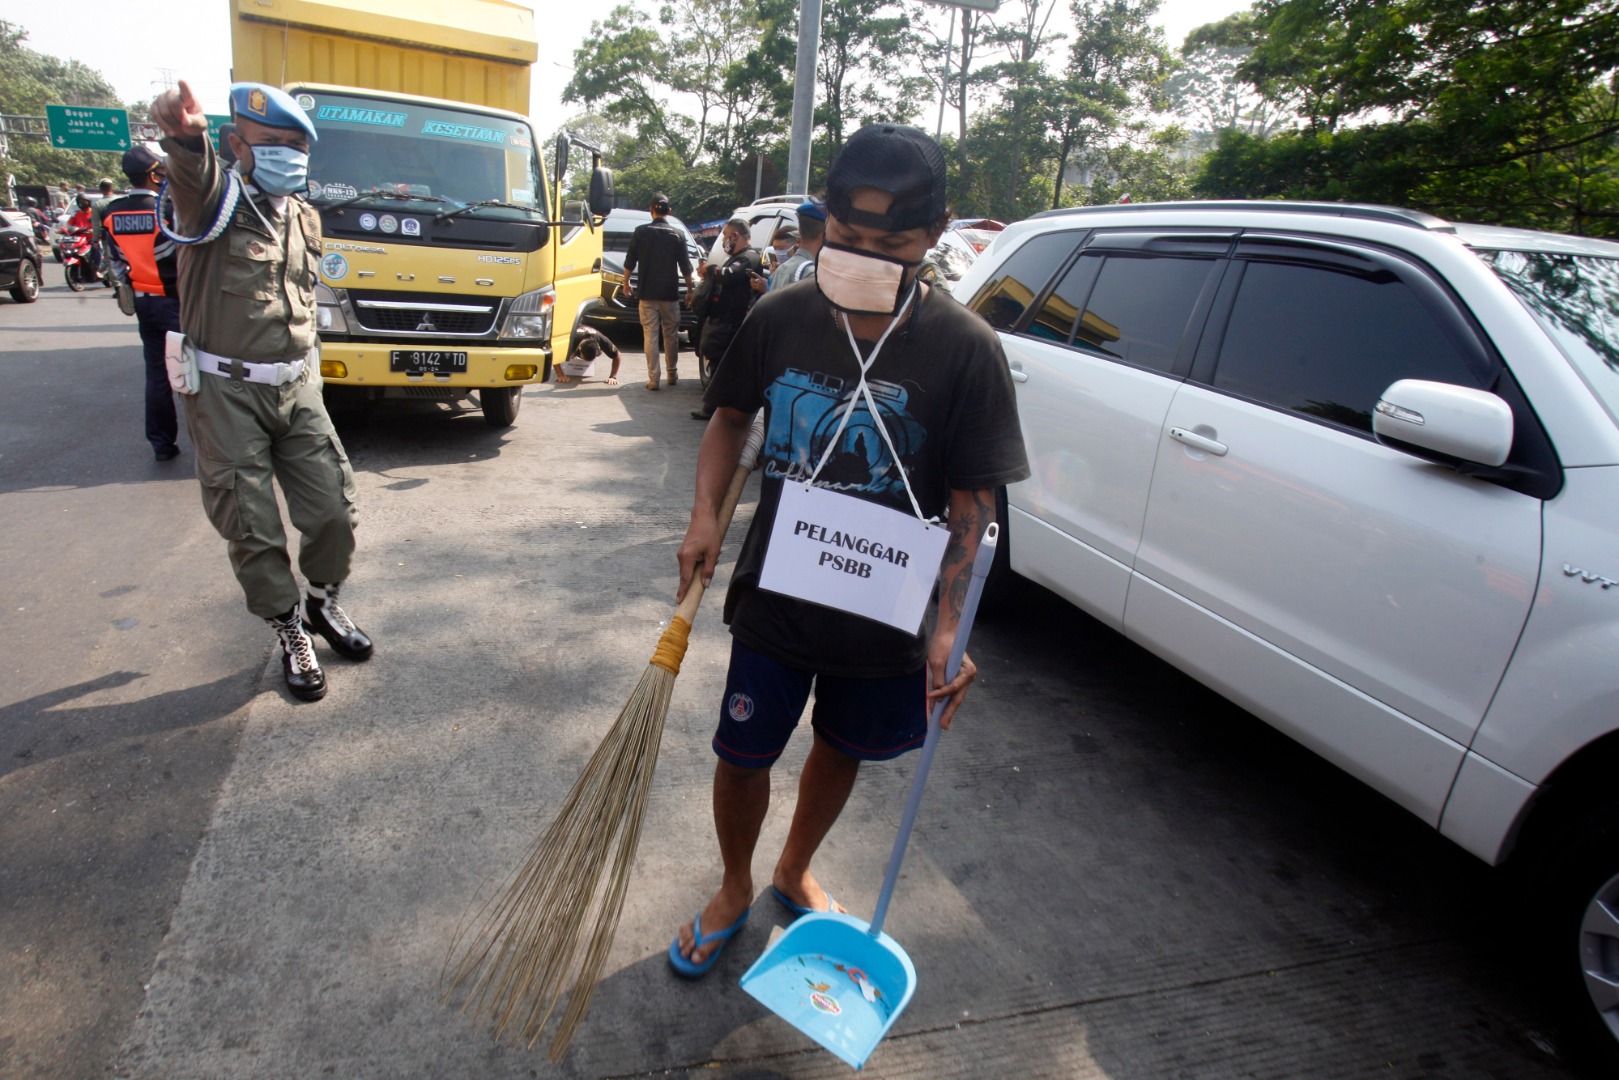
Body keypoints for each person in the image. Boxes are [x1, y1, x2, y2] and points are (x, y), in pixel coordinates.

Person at [668, 124, 1029, 977]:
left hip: (886, 604)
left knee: (842, 744)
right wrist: (704, 517)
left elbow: (972, 501)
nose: (865, 260)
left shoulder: (965, 350)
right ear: (824, 218)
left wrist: (949, 623)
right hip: (779, 592)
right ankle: (732, 885)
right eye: (847, 239)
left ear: (936, 231)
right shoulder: (783, 315)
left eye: (892, 246)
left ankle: (792, 869)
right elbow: (727, 420)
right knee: (743, 751)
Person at [151, 78, 372, 703]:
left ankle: (324, 603)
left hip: (298, 386)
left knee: (333, 509)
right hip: (225, 394)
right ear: (236, 145)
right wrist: (183, 139)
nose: (286, 156)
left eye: (296, 146)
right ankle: (290, 630)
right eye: (271, 142)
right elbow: (191, 176)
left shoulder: (304, 214)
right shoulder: (214, 200)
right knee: (252, 526)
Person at [101, 146, 182, 461]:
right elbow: (184, 253)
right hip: (175, 302)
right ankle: (209, 443)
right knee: (194, 371)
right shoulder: (167, 209)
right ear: (153, 174)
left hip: (143, 301)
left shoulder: (111, 212)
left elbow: (116, 263)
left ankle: (162, 444)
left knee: (157, 374)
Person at [687, 218, 761, 421]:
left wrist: (711, 269)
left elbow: (728, 275)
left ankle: (715, 409)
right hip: (722, 319)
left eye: (726, 237)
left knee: (722, 364)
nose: (723, 242)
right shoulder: (737, 257)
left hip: (733, 321)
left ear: (735, 236)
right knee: (715, 360)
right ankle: (712, 407)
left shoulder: (749, 257)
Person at [621, 193, 694, 390]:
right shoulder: (677, 235)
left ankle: (654, 379)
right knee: (670, 334)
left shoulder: (640, 232)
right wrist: (689, 290)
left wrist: (625, 282)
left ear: (650, 210)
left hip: (647, 294)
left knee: (650, 335)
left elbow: (630, 261)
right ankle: (672, 374)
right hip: (669, 294)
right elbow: (686, 266)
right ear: (669, 212)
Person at [556, 324, 622, 385]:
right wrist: (560, 375)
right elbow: (555, 354)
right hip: (572, 331)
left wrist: (613, 377)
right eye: (582, 357)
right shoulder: (571, 340)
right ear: (580, 348)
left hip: (590, 336)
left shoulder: (601, 340)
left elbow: (617, 355)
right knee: (566, 356)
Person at [89, 177, 117, 273]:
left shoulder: (97, 204)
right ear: (112, 188)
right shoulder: (120, 201)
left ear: (100, 190)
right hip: (123, 234)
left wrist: (95, 240)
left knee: (109, 259)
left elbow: (96, 224)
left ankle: (117, 285)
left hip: (108, 235)